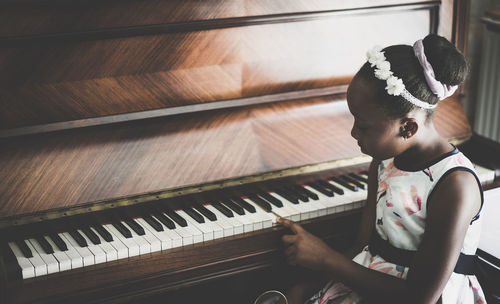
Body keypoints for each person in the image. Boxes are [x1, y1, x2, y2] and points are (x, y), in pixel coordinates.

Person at [278, 34, 487, 304]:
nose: (353, 133)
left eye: (363, 126)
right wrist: (310, 287)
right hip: (371, 281)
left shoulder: (455, 185)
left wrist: (325, 258)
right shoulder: (384, 159)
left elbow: (420, 297)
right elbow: (364, 245)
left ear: (408, 128)